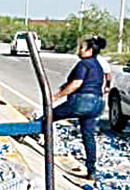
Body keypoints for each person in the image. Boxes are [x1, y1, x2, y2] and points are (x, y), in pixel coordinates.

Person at [46, 37, 107, 180]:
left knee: (49, 116)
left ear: (89, 50)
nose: (78, 50)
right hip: (97, 104)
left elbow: (76, 83)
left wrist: (56, 96)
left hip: (81, 101)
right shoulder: (98, 65)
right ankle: (91, 169)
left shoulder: (83, 64)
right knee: (88, 135)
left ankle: (25, 132)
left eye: (81, 48)